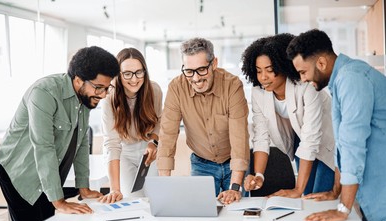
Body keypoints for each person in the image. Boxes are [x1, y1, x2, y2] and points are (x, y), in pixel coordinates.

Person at [0, 46, 119, 221]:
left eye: (107, 88)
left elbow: (81, 143)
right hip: (20, 172)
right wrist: (59, 202)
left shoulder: (84, 99)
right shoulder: (44, 92)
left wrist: (83, 188)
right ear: (78, 80)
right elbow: (43, 147)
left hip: (47, 172)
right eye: (98, 87)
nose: (103, 95)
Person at [286, 28, 386, 221]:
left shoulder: (351, 79)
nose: (302, 79)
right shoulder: (342, 80)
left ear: (321, 62)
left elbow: (353, 144)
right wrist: (335, 191)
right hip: (375, 201)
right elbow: (342, 143)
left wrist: (343, 208)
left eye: (303, 72)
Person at [241, 33, 337, 198]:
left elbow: (311, 138)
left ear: (284, 66)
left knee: (319, 196)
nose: (263, 77)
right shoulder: (259, 93)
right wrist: (259, 176)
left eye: (270, 70)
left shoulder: (306, 86)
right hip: (300, 140)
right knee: (307, 195)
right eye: (258, 71)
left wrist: (297, 190)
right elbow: (261, 137)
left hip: (327, 141)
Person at [156, 37, 250, 204]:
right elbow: (167, 135)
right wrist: (164, 184)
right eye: (189, 71)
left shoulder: (232, 85)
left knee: (237, 214)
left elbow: (239, 136)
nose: (196, 78)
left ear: (214, 63)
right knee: (200, 213)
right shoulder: (176, 88)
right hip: (202, 164)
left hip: (234, 163)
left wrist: (235, 187)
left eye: (201, 70)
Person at [99, 48, 162, 203]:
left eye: (139, 72)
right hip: (122, 151)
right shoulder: (108, 98)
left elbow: (159, 121)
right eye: (127, 73)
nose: (134, 79)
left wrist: (153, 142)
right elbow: (112, 144)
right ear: (118, 75)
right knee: (132, 200)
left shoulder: (154, 90)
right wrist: (115, 189)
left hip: (146, 150)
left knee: (154, 200)